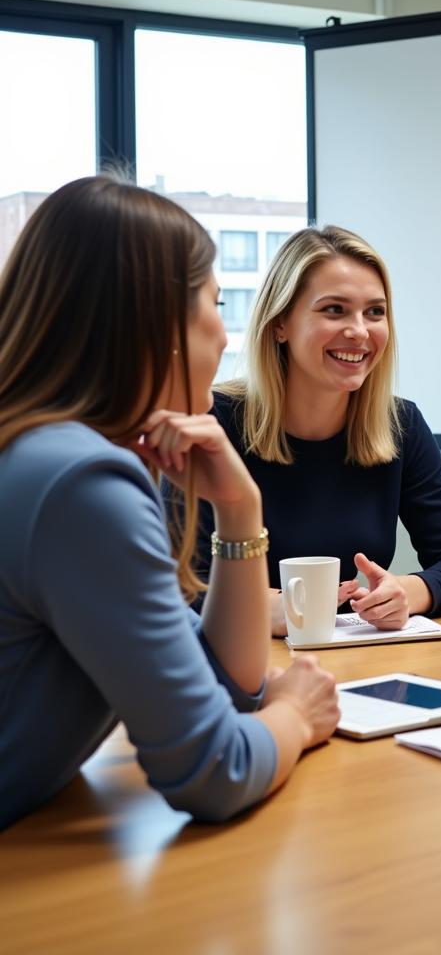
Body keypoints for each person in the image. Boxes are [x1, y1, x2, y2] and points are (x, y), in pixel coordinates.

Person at [0, 176, 340, 830]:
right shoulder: (79, 484)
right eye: (215, 301)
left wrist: (241, 510)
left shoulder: (51, 454)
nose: (225, 330)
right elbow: (215, 770)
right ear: (163, 326)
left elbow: (225, 686)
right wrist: (296, 715)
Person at [198, 225, 441, 634]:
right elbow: (179, 585)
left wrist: (408, 591)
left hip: (358, 664)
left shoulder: (400, 425)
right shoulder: (214, 424)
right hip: (246, 670)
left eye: (375, 312)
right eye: (334, 310)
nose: (360, 330)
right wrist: (255, 608)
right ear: (280, 323)